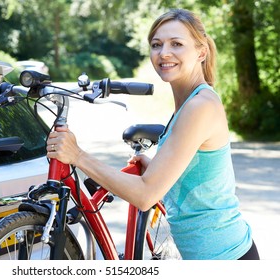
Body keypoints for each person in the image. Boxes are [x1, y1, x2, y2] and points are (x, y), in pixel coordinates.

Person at [46, 8, 259, 260]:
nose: (164, 52)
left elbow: (145, 196)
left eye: (176, 44)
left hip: (227, 259)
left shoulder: (200, 106)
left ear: (201, 52)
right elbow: (196, 172)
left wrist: (77, 156)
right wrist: (156, 167)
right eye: (156, 44)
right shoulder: (190, 101)